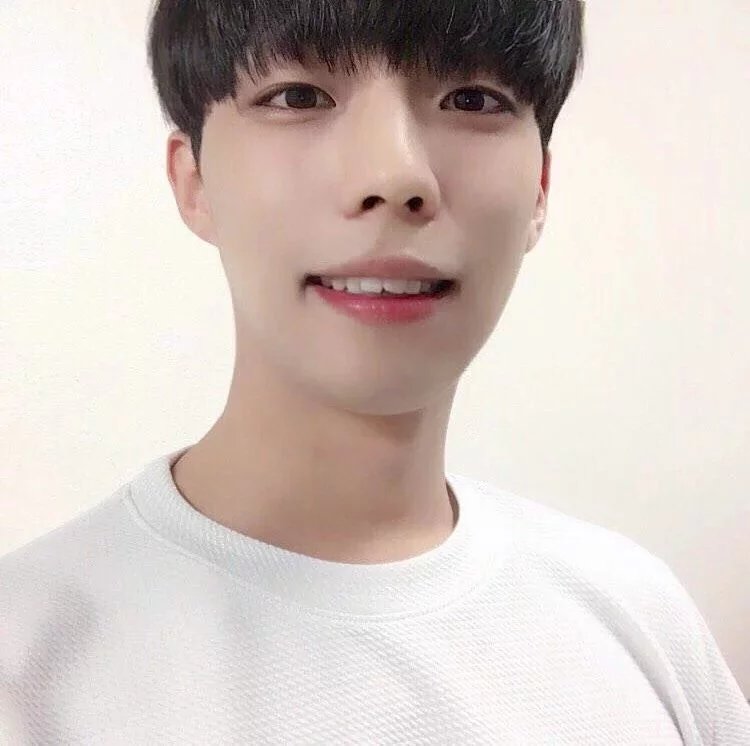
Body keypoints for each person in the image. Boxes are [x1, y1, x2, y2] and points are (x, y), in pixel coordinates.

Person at [2, 0, 748, 742]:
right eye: (298, 96)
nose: (394, 175)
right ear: (193, 178)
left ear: (541, 190)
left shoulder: (640, 621)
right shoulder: (29, 664)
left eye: (473, 100)